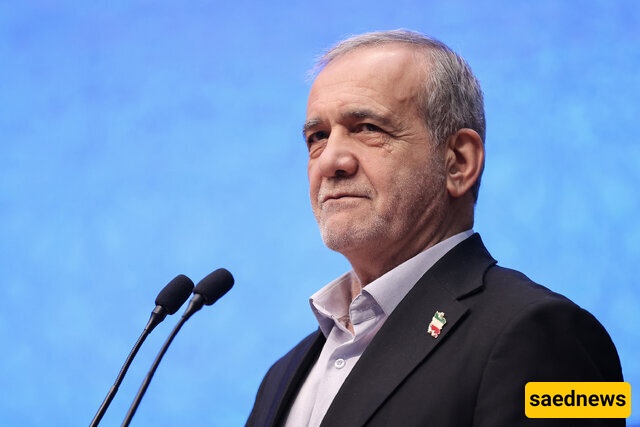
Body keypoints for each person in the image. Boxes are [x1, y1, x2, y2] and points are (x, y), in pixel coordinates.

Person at [246, 30, 623, 426]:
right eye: (318, 137)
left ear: (458, 162)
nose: (329, 161)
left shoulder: (554, 334)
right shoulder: (282, 375)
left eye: (368, 128)